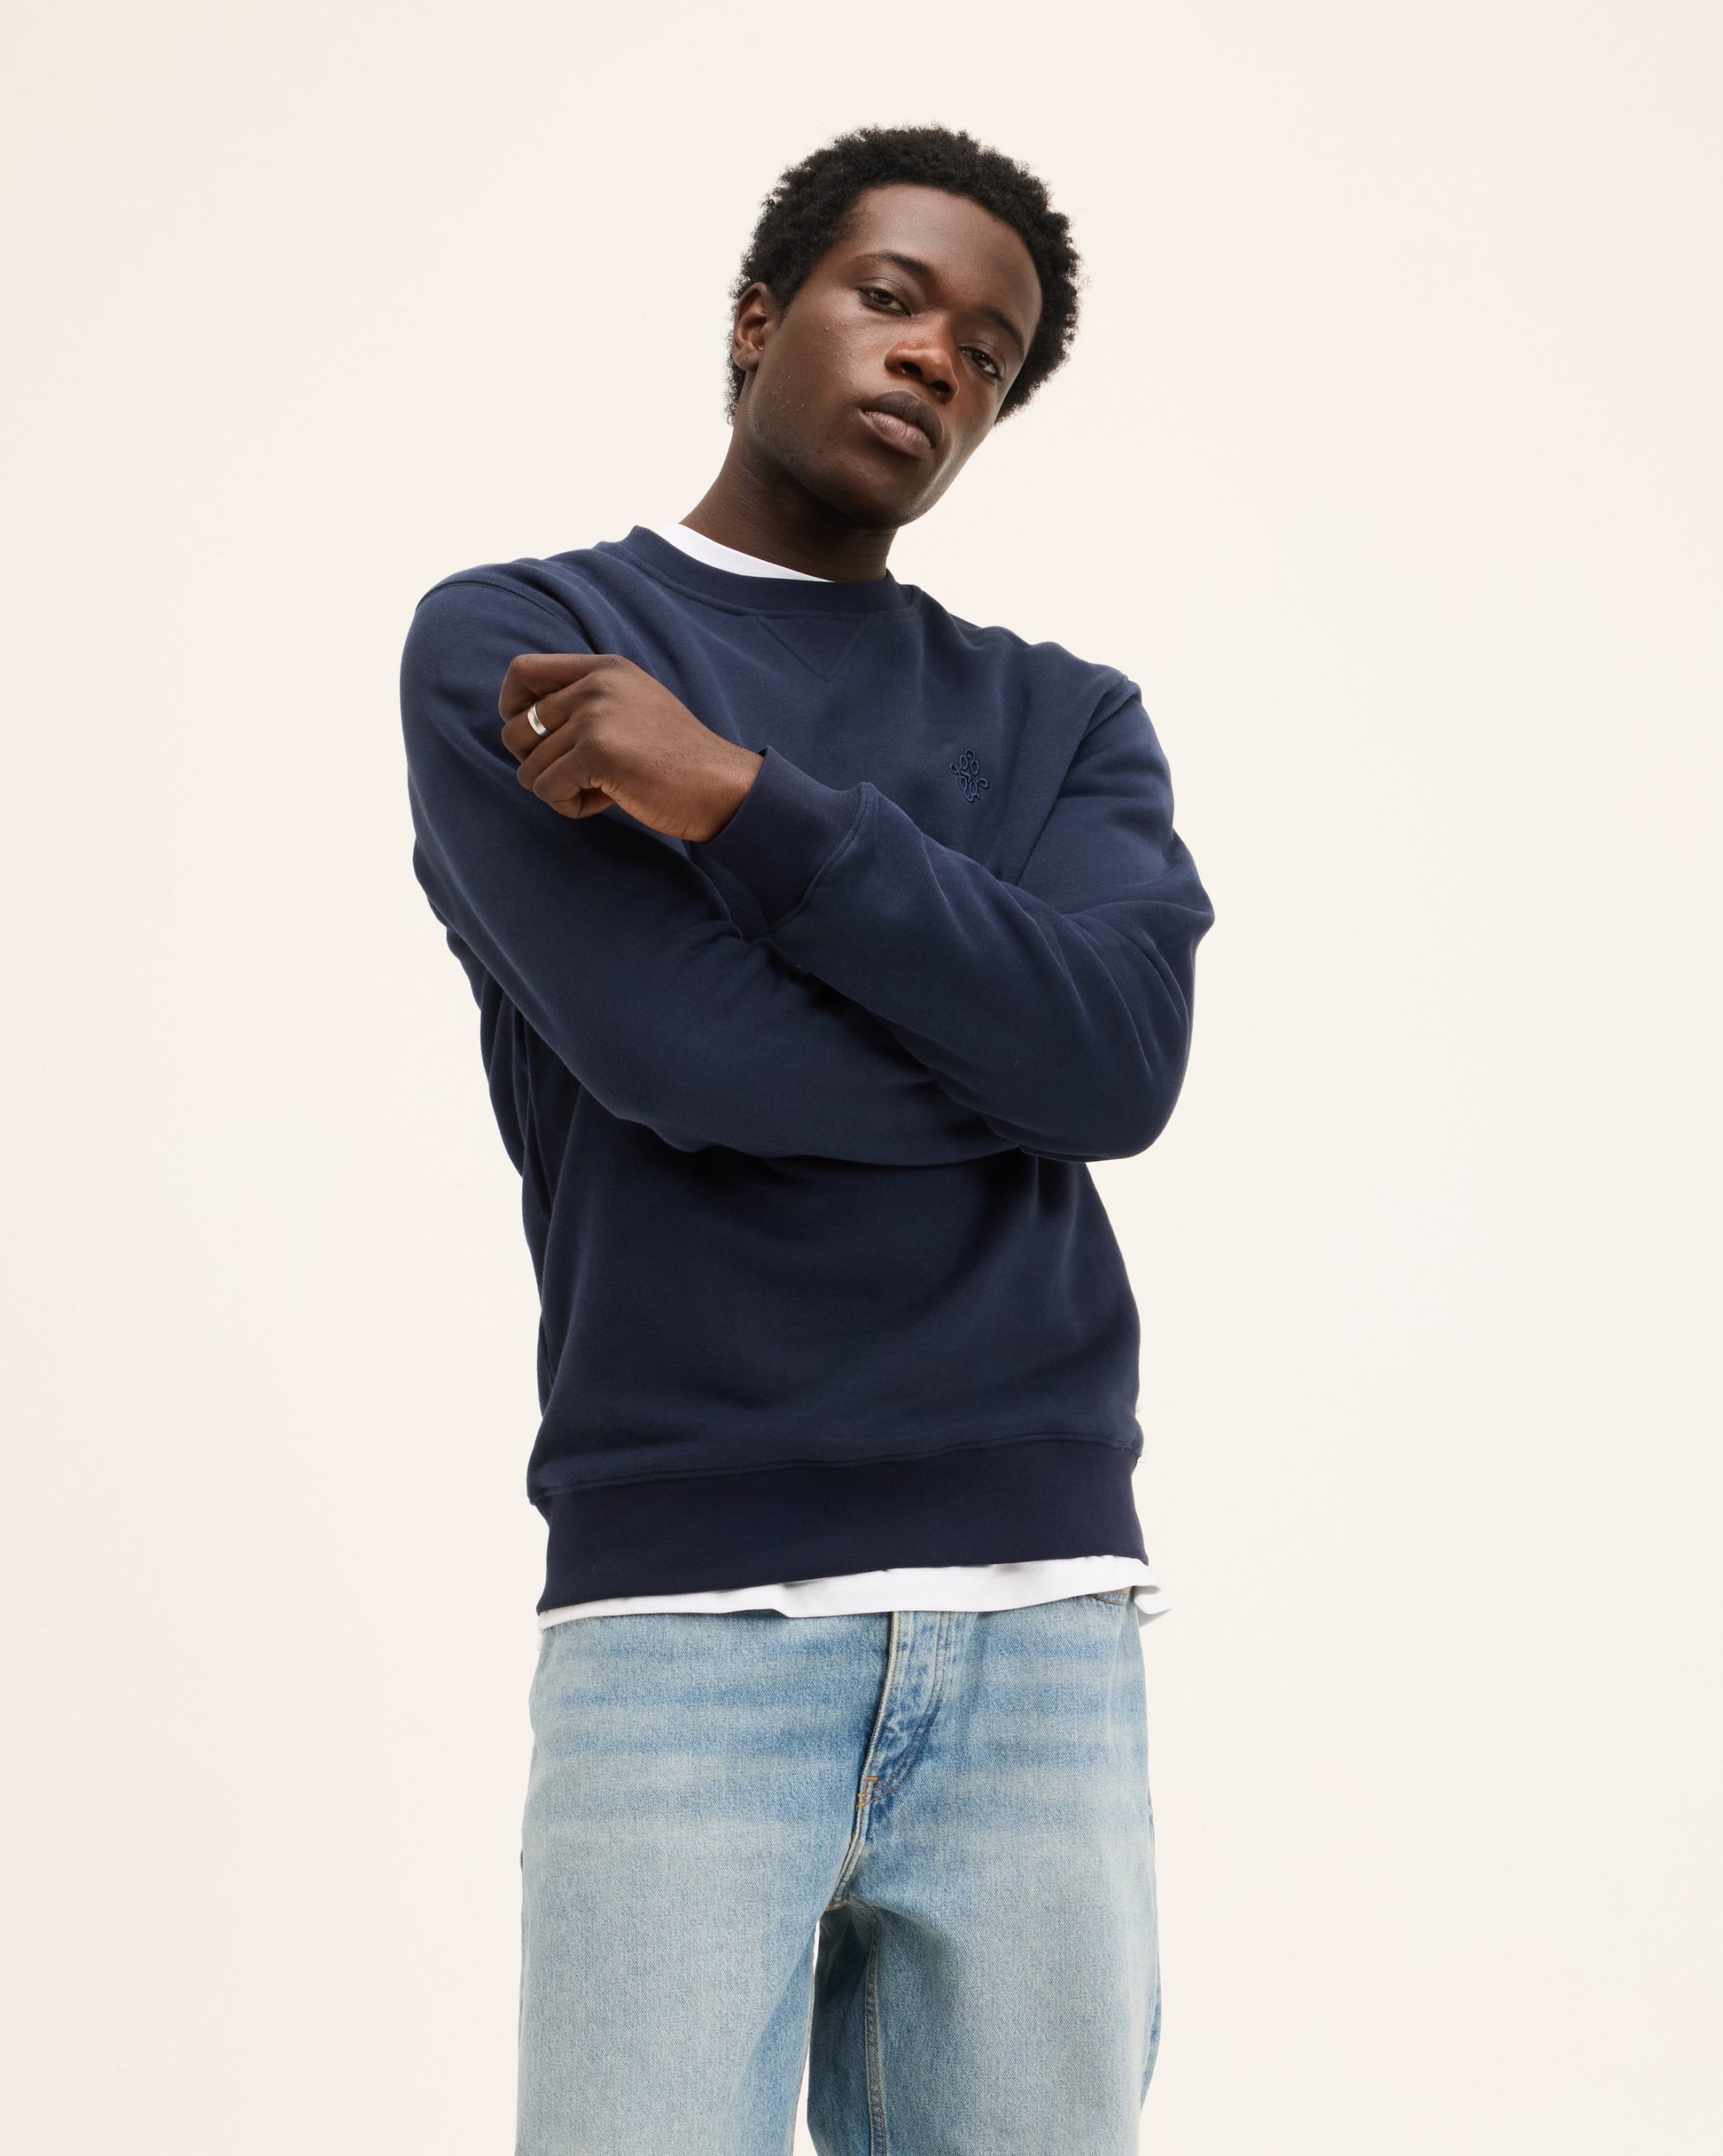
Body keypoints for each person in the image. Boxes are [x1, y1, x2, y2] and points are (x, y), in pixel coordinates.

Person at [400, 121, 1215, 2156]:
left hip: (1040, 1622)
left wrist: (733, 799)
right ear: (760, 316)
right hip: (689, 1619)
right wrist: (997, 1034)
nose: (939, 355)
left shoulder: (1064, 717)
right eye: (891, 295)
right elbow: (682, 1053)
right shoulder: (528, 645)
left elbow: (1117, 1068)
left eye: (988, 353)